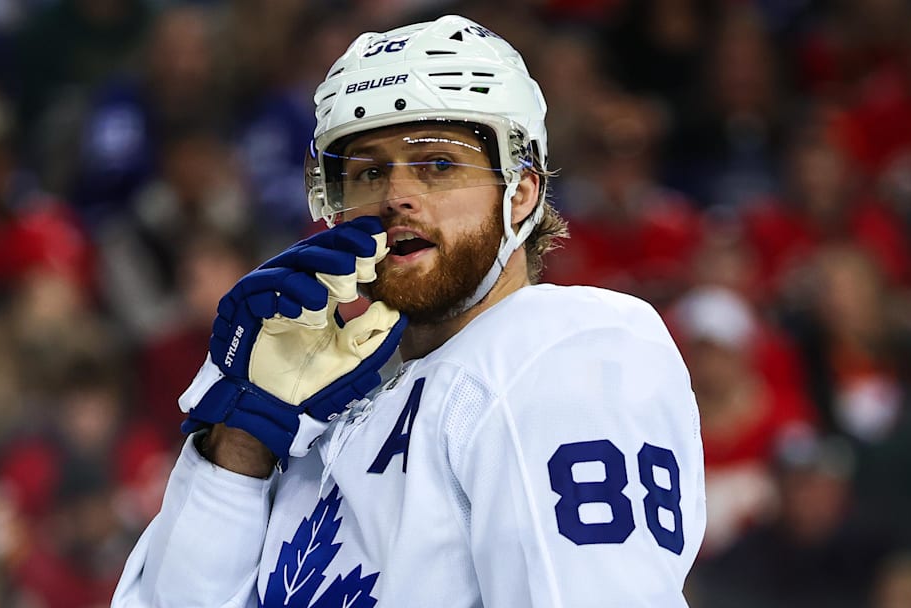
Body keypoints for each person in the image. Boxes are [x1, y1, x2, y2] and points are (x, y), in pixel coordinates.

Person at [112, 15, 706, 607]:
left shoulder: (559, 348)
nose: (396, 196)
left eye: (439, 165)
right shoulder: (327, 419)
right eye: (369, 172)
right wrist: (245, 436)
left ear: (520, 192)